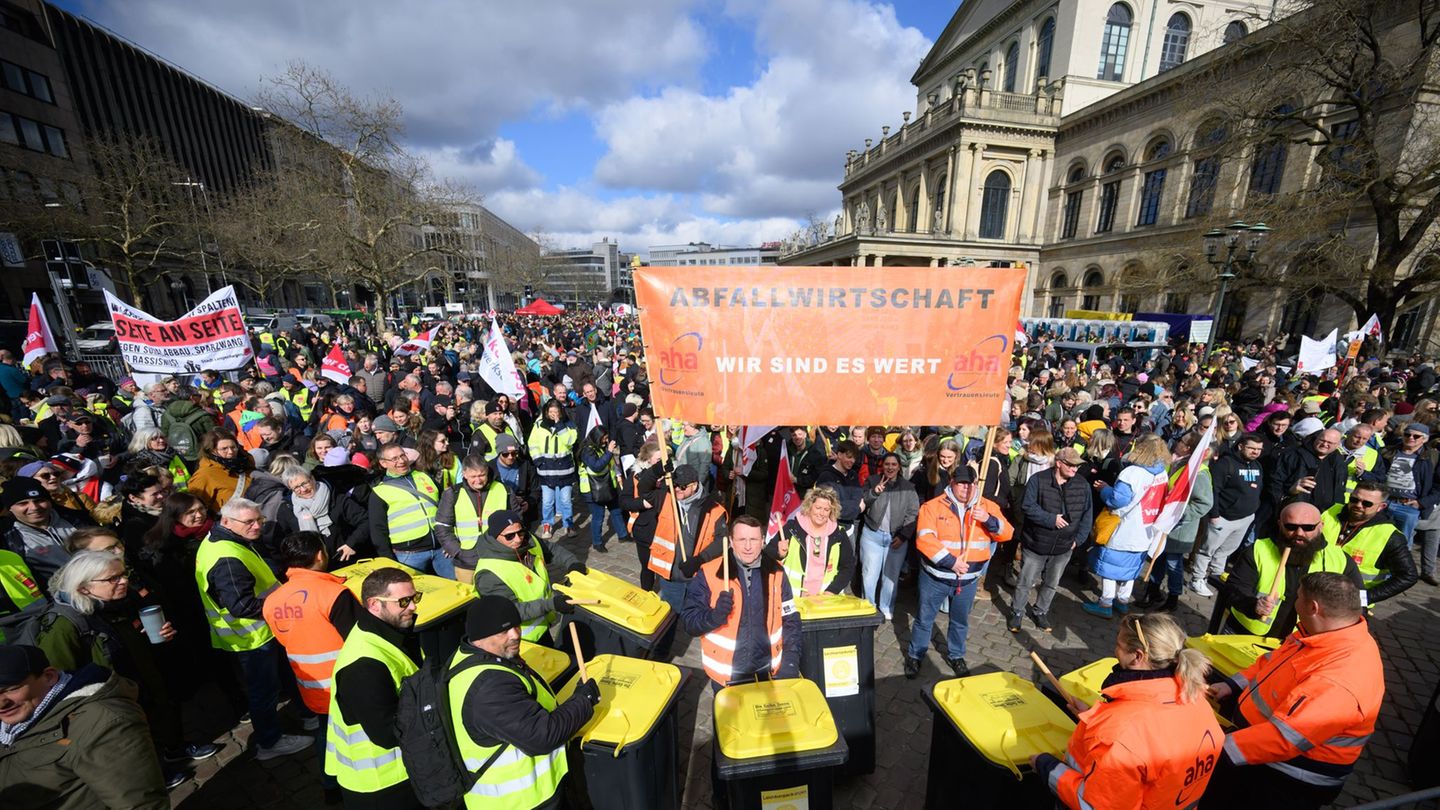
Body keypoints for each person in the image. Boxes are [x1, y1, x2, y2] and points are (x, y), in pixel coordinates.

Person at [1202, 573, 1383, 809]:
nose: (1291, 600)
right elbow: (1272, 662)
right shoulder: (1321, 636)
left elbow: (1284, 739)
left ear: (1313, 607)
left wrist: (1213, 748)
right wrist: (1233, 685)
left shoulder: (1338, 678)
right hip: (1260, 753)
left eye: (1296, 596)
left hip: (1285, 779)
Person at [1032, 614, 1222, 809]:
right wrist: (1095, 716)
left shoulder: (1122, 735)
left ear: (1138, 656)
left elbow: (1092, 805)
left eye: (1119, 645)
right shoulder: (1196, 700)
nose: (1115, 651)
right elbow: (1155, 738)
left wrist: (1047, 766)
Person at [445, 595, 600, 810]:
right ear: (480, 637)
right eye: (503, 631)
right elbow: (542, 736)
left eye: (516, 626)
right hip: (519, 802)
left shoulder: (475, 655)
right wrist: (585, 700)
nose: (515, 635)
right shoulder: (488, 689)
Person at [195, 497, 313, 760]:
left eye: (259, 520)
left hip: (259, 632)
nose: (257, 526)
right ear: (227, 521)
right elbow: (241, 605)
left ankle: (306, 714)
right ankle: (270, 743)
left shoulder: (224, 540)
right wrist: (284, 605)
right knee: (264, 691)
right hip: (252, 636)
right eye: (249, 522)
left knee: (279, 678)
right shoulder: (227, 557)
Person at [0, 644, 169, 809]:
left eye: (11, 689)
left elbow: (140, 804)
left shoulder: (101, 722)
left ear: (49, 677)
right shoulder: (18, 719)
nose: (2, 703)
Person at [263, 530, 359, 792]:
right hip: (347, 682)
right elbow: (359, 638)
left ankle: (330, 784)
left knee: (326, 733)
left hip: (310, 685)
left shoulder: (273, 600)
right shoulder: (333, 594)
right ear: (320, 555)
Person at [325, 567, 424, 809]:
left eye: (414, 597)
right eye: (403, 601)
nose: (412, 607)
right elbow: (387, 733)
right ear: (374, 604)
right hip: (383, 786)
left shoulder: (384, 633)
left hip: (395, 776)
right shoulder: (363, 666)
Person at [905, 465, 1013, 678]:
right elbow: (925, 539)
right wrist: (951, 562)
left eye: (969, 484)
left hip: (968, 580)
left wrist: (988, 520)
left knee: (960, 621)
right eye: (961, 483)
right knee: (925, 619)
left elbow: (1007, 533)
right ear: (952, 483)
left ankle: (956, 655)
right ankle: (915, 655)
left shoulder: (986, 506)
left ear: (975, 485)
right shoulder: (932, 507)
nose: (965, 488)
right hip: (936, 577)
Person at [682, 515, 801, 688]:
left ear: (762, 541)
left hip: (767, 671)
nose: (747, 547)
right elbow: (689, 622)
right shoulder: (709, 573)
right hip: (726, 675)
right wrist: (713, 616)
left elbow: (790, 620)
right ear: (731, 541)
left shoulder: (777, 573)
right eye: (741, 539)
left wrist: (790, 661)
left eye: (753, 539)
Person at [1221, 502, 1362, 638]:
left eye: (1308, 528)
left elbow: (1360, 598)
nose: (1299, 533)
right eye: (1290, 527)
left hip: (1302, 643)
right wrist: (1253, 605)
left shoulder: (1341, 559)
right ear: (1280, 525)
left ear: (1321, 526)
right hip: (1246, 634)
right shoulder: (1258, 550)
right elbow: (1233, 588)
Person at [1083, 435, 1171, 618]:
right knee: (1130, 569)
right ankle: (1122, 601)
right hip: (1146, 530)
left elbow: (1117, 500)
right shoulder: (1162, 473)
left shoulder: (1132, 473)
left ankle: (1105, 603)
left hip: (1124, 529)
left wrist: (1104, 489)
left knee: (1110, 566)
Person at [1011, 447, 1093, 632]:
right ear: (1059, 463)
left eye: (1077, 466)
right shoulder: (1038, 480)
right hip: (1036, 543)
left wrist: (1078, 540)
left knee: (1051, 583)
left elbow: (1087, 514)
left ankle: (1040, 611)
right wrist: (1050, 519)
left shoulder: (1082, 485)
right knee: (1026, 581)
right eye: (1071, 465)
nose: (1074, 469)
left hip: (1064, 546)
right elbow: (1027, 506)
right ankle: (1017, 612)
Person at [471, 510, 581, 646]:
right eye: (509, 536)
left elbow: (551, 550)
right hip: (519, 642)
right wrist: (551, 604)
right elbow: (509, 610)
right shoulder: (488, 574)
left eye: (520, 532)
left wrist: (573, 563)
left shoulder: (529, 540)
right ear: (495, 536)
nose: (518, 539)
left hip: (542, 627)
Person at [1139, 432, 1214, 611]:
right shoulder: (1179, 462)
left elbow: (1204, 503)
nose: (1177, 443)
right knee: (1158, 559)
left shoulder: (1199, 472)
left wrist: (1178, 513)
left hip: (1179, 529)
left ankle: (1173, 598)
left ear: (1188, 447)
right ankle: (1153, 592)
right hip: (1165, 523)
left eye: (1181, 441)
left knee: (1174, 564)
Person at [1190, 432, 1265, 597]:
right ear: (1240, 446)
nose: (1256, 452)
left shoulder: (1257, 466)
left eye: (1259, 449)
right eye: (1252, 448)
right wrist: (1214, 514)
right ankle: (1197, 579)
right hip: (1223, 517)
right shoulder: (1225, 464)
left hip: (1245, 518)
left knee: (1226, 551)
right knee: (1207, 550)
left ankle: (1215, 576)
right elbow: (1214, 490)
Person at [1320, 482, 1418, 605]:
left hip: (1347, 604)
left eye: (1367, 503)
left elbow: (1408, 576)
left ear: (1381, 507)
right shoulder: (1327, 511)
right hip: (1310, 590)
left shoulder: (1390, 536)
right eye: (1354, 499)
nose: (1358, 505)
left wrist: (1363, 598)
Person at [369, 442, 452, 579]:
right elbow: (378, 531)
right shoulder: (379, 492)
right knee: (412, 595)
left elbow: (446, 508)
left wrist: (451, 541)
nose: (401, 461)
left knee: (456, 589)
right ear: (384, 464)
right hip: (408, 554)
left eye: (403, 455)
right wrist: (389, 561)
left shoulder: (424, 477)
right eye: (394, 459)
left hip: (441, 549)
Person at [858, 451, 919, 620]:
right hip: (873, 535)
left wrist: (904, 535)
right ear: (882, 466)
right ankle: (868, 606)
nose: (890, 467)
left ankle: (886, 606)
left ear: (899, 467)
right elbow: (862, 503)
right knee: (869, 574)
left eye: (893, 464)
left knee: (890, 576)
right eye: (887, 464)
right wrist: (874, 493)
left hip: (896, 538)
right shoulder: (872, 481)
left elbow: (913, 513)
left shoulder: (908, 487)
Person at [436, 454, 512, 585]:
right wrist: (456, 551)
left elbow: (516, 520)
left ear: (487, 472)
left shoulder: (503, 489)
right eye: (473, 476)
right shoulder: (453, 493)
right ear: (464, 474)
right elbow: (442, 526)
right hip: (466, 560)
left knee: (497, 593)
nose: (478, 480)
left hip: (498, 555)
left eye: (482, 475)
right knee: (469, 598)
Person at [1, 475, 90, 582]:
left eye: (39, 500)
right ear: (10, 508)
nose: (34, 507)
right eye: (23, 503)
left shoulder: (77, 519)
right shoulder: (8, 539)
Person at [775, 486, 855, 597]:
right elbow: (769, 557)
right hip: (794, 599)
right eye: (818, 508)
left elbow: (848, 566)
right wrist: (779, 554)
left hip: (826, 601)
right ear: (809, 506)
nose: (821, 513)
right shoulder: (791, 528)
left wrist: (832, 590)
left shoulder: (839, 534)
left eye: (826, 510)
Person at [528, 399, 578, 540]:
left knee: (566, 500)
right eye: (551, 412)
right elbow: (532, 443)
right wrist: (538, 461)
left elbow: (569, 441)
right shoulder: (539, 425)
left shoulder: (569, 425)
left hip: (565, 469)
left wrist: (559, 425)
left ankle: (568, 524)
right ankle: (547, 524)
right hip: (546, 469)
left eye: (556, 412)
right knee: (548, 501)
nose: (553, 415)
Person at [1379, 421, 1437, 544]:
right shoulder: (1387, 452)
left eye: (1416, 436)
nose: (1411, 438)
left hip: (1408, 506)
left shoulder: (1432, 457)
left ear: (1424, 439)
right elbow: (1378, 474)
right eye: (1407, 435)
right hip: (1383, 502)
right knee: (1378, 539)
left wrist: (1421, 503)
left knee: (1402, 544)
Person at [578, 425, 630, 552]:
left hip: (607, 486)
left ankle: (623, 535)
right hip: (593, 490)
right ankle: (597, 542)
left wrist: (617, 476)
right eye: (604, 438)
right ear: (597, 437)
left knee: (616, 511)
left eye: (607, 438)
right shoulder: (587, 451)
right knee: (598, 516)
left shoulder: (601, 448)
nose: (606, 441)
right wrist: (609, 452)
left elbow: (610, 465)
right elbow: (597, 466)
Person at [188, 430, 254, 514]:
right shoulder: (204, 475)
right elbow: (196, 508)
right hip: (227, 522)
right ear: (212, 451)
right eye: (224, 449)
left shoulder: (246, 464)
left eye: (233, 447)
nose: (230, 452)